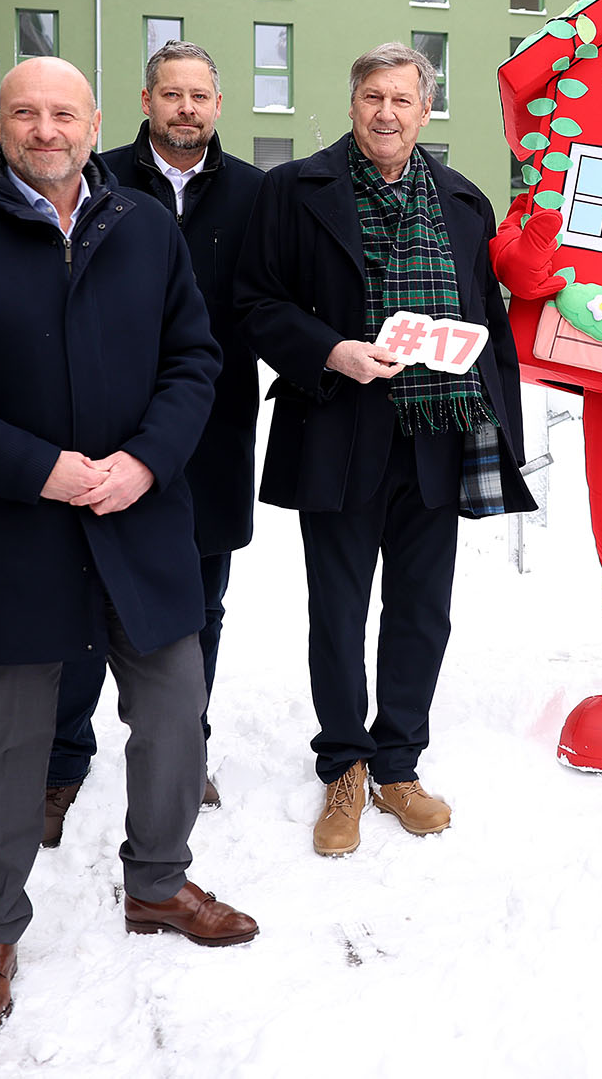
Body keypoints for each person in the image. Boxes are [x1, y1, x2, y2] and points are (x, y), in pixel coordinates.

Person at [0, 57, 259, 1041]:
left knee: (173, 708)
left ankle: (158, 886)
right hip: (12, 526)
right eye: (24, 113)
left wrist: (146, 462)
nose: (45, 129)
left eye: (62, 113)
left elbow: (194, 359)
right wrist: (35, 467)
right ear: (0, 123)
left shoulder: (145, 230)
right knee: (6, 741)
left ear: (92, 124)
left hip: (138, 518)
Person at [234, 43, 535, 857]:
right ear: (354, 100)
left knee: (421, 609)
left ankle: (399, 762)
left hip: (436, 436)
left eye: (403, 99)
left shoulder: (466, 202)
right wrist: (332, 350)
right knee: (336, 609)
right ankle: (345, 767)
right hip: (338, 428)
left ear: (426, 111)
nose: (387, 112)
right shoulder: (294, 191)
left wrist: (498, 426)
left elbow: (493, 328)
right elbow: (253, 302)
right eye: (373, 96)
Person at [43, 42, 263, 846]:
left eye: (200, 95)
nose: (186, 109)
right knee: (83, 605)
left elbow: (269, 303)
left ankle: (184, 747)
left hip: (212, 436)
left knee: (199, 606)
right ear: (145, 99)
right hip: (103, 435)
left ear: (218, 103)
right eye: (171, 94)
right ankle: (61, 763)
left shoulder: (253, 193)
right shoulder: (95, 180)